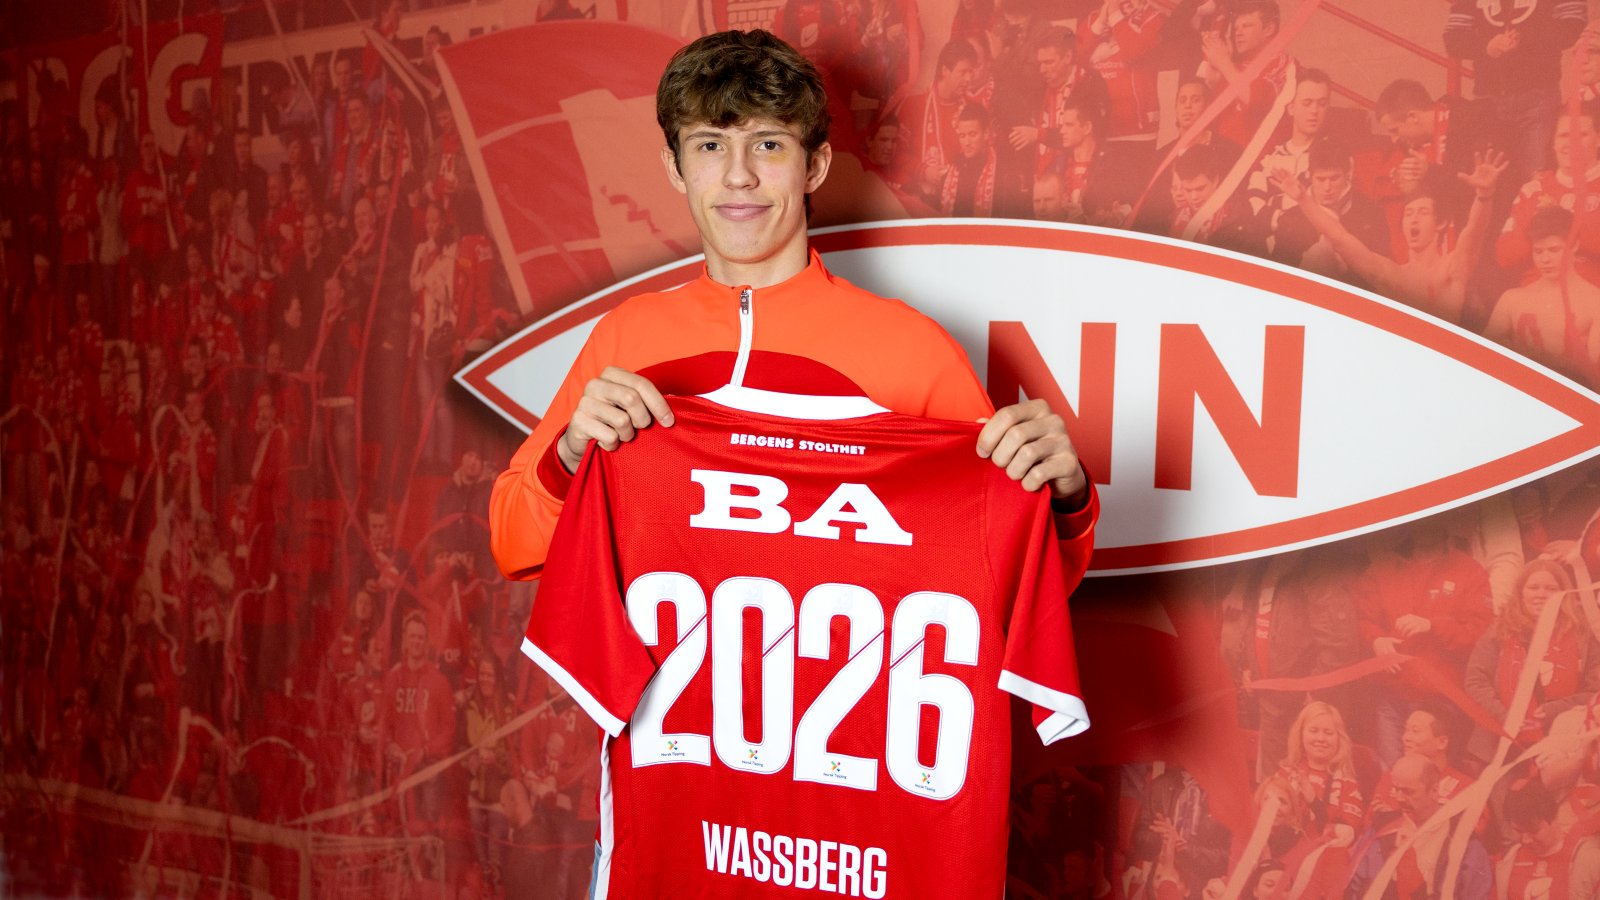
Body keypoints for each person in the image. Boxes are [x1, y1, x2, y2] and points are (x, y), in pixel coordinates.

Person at [489, 28, 1093, 583]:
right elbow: (514, 544)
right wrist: (568, 457)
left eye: (769, 144)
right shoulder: (626, 337)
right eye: (709, 145)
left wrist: (1063, 499)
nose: (739, 176)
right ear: (676, 168)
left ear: (815, 166)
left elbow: (1015, 579)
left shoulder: (913, 349)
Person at [1267, 150, 1507, 325]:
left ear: (1440, 223)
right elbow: (1339, 237)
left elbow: (1474, 231)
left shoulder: (1452, 268)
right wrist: (1304, 199)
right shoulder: (1392, 275)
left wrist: (1484, 194)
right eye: (1408, 214)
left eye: (1423, 212)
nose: (1413, 220)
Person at [1485, 206, 1600, 385]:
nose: (1545, 259)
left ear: (1574, 245)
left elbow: (1595, 380)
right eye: (1538, 251)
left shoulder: (1594, 302)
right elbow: (1484, 359)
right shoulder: (1512, 299)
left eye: (1554, 250)